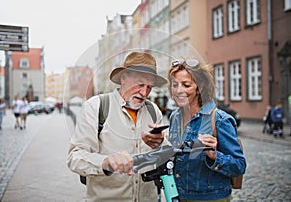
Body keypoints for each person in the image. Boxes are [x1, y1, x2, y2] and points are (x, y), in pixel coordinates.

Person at [67, 51, 169, 201]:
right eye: (140, 84)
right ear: (123, 79)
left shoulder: (153, 111)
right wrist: (105, 162)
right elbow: (75, 157)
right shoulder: (96, 107)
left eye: (149, 87)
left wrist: (161, 144)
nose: (144, 92)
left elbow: (165, 156)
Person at [167, 58, 246, 201]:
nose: (178, 91)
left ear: (200, 87)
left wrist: (214, 156)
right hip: (178, 195)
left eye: (186, 85)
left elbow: (239, 166)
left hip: (210, 198)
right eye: (174, 85)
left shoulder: (220, 120)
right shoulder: (175, 117)